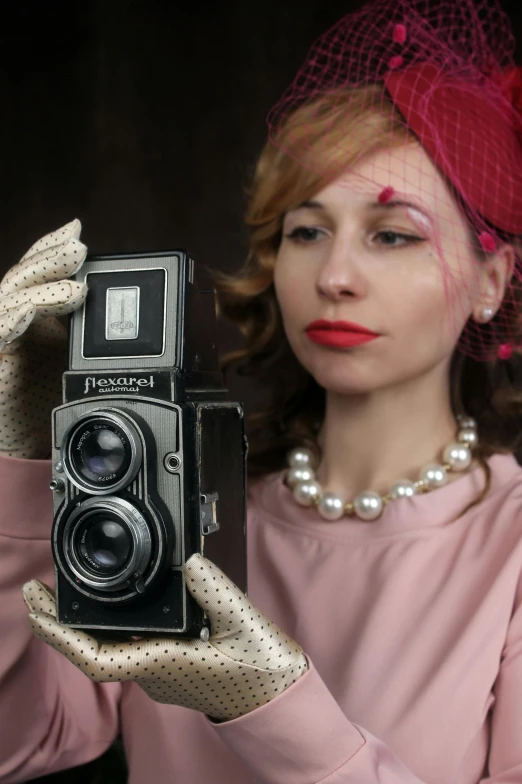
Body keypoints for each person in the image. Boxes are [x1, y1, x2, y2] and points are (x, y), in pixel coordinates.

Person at [1, 0, 522, 781]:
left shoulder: (508, 549)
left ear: (492, 280)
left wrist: (274, 707)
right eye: (305, 231)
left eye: (393, 234)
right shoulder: (176, 496)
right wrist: (16, 463)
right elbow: (20, 746)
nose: (335, 277)